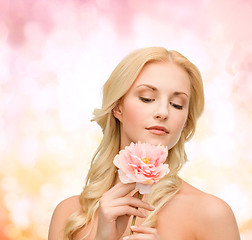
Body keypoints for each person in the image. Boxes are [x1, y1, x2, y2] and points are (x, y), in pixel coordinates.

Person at [48, 47, 240, 240]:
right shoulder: (69, 216)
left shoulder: (211, 214)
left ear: (186, 121)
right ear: (118, 107)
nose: (163, 112)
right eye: (147, 98)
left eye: (177, 104)